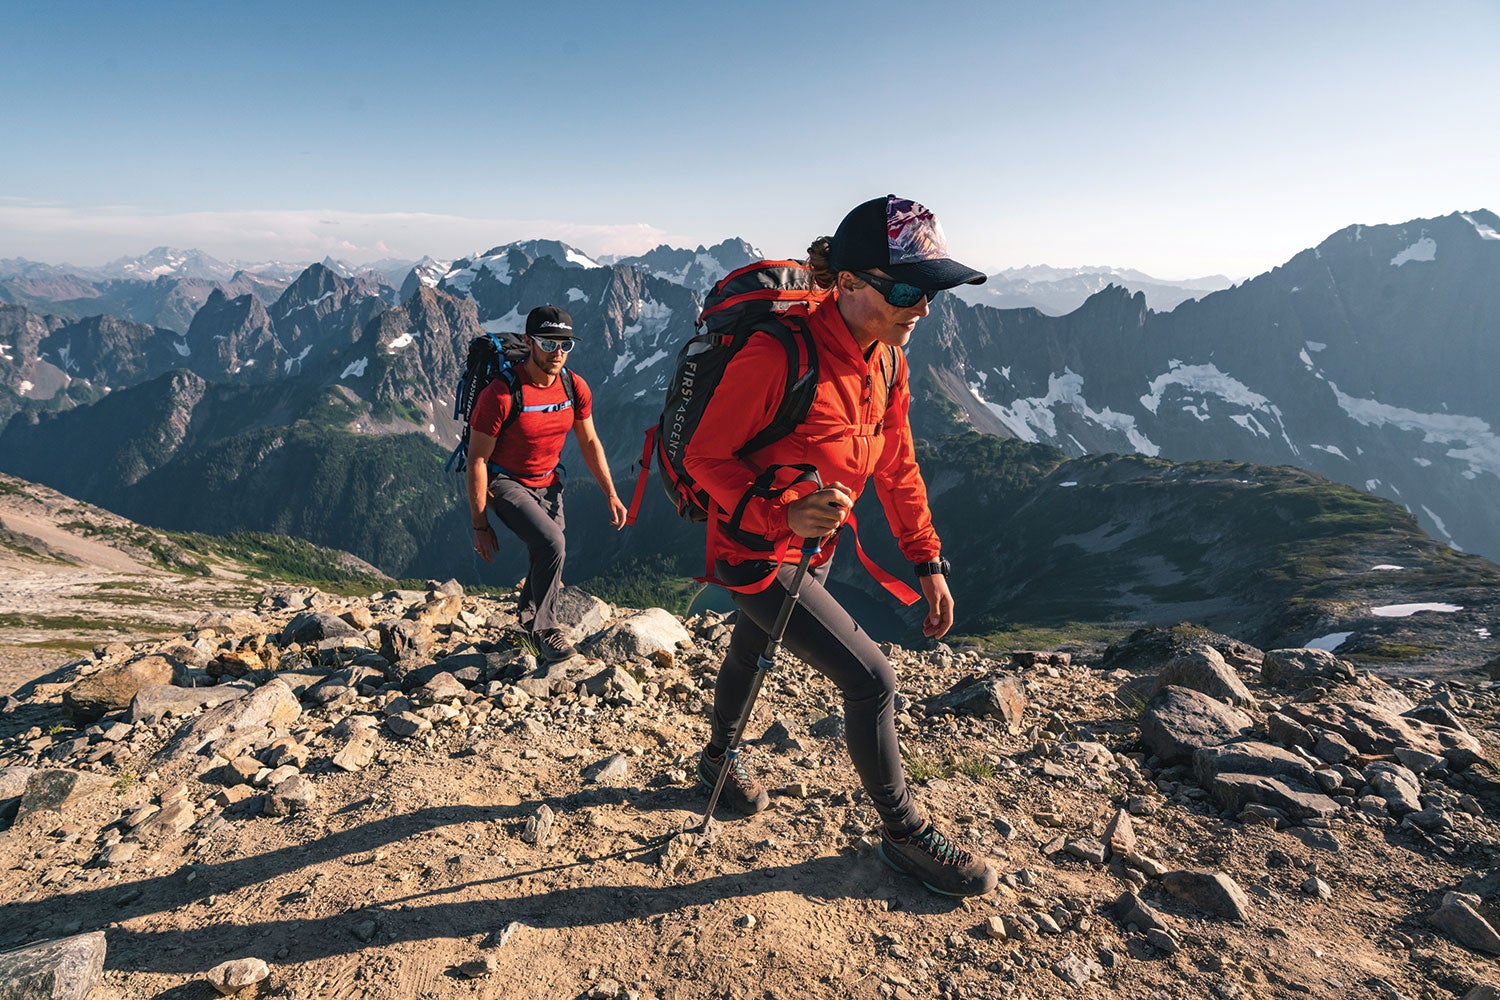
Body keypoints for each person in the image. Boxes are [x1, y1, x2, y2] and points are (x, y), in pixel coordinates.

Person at [682, 195, 997, 897]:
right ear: (849, 285)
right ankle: (904, 833)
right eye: (908, 290)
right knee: (872, 680)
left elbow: (897, 465)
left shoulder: (886, 361)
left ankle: (715, 761)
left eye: (933, 291)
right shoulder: (777, 353)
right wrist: (780, 517)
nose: (923, 308)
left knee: (747, 646)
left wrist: (927, 561)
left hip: (806, 548)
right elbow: (706, 458)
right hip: (752, 552)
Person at [467, 305, 628, 662]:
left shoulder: (574, 386)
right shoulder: (501, 394)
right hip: (506, 482)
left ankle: (527, 622)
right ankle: (546, 631)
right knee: (554, 543)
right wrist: (480, 524)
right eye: (548, 342)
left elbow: (589, 442)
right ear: (529, 342)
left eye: (565, 345)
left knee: (546, 551)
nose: (557, 353)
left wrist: (611, 493)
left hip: (549, 482)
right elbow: (476, 459)